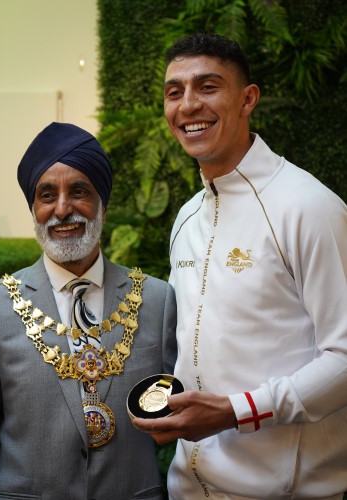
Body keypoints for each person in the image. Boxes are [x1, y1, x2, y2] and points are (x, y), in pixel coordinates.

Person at [133, 32, 347, 499]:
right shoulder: (187, 217)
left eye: (207, 87)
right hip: (187, 487)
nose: (188, 105)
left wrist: (236, 410)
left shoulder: (308, 207)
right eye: (175, 92)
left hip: (286, 489)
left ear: (248, 98)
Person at [0, 122, 177, 499]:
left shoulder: (158, 300)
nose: (62, 209)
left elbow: (180, 426)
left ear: (103, 203)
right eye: (47, 195)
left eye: (78, 191)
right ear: (34, 208)